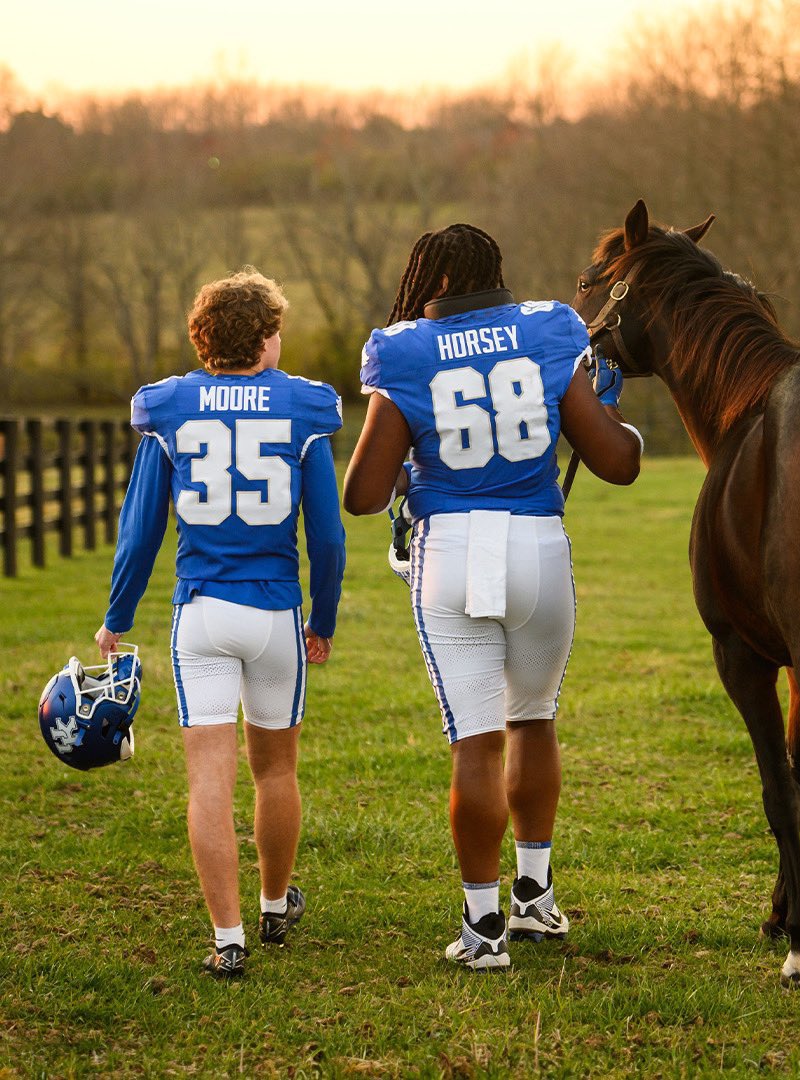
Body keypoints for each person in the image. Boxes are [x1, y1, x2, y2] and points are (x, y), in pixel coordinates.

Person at [342, 224, 642, 969]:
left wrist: (415, 459)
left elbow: (362, 493)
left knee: (476, 743)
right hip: (540, 546)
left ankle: (483, 934)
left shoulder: (404, 347)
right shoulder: (547, 329)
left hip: (457, 551)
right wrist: (610, 411)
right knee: (534, 721)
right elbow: (618, 462)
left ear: (429, 283)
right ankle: (535, 899)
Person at [95, 268, 346, 979]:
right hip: (274, 613)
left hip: (201, 612)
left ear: (203, 338)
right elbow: (326, 537)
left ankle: (228, 938)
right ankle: (272, 906)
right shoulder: (303, 407)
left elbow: (140, 531)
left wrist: (116, 616)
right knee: (275, 770)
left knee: (209, 778)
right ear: (266, 338)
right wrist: (321, 617)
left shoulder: (169, 407)